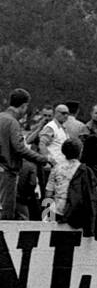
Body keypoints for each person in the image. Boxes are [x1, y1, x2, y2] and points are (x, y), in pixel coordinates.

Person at [0, 88, 50, 219]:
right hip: (7, 174)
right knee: (6, 213)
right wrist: (43, 159)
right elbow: (20, 148)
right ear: (23, 106)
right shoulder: (12, 122)